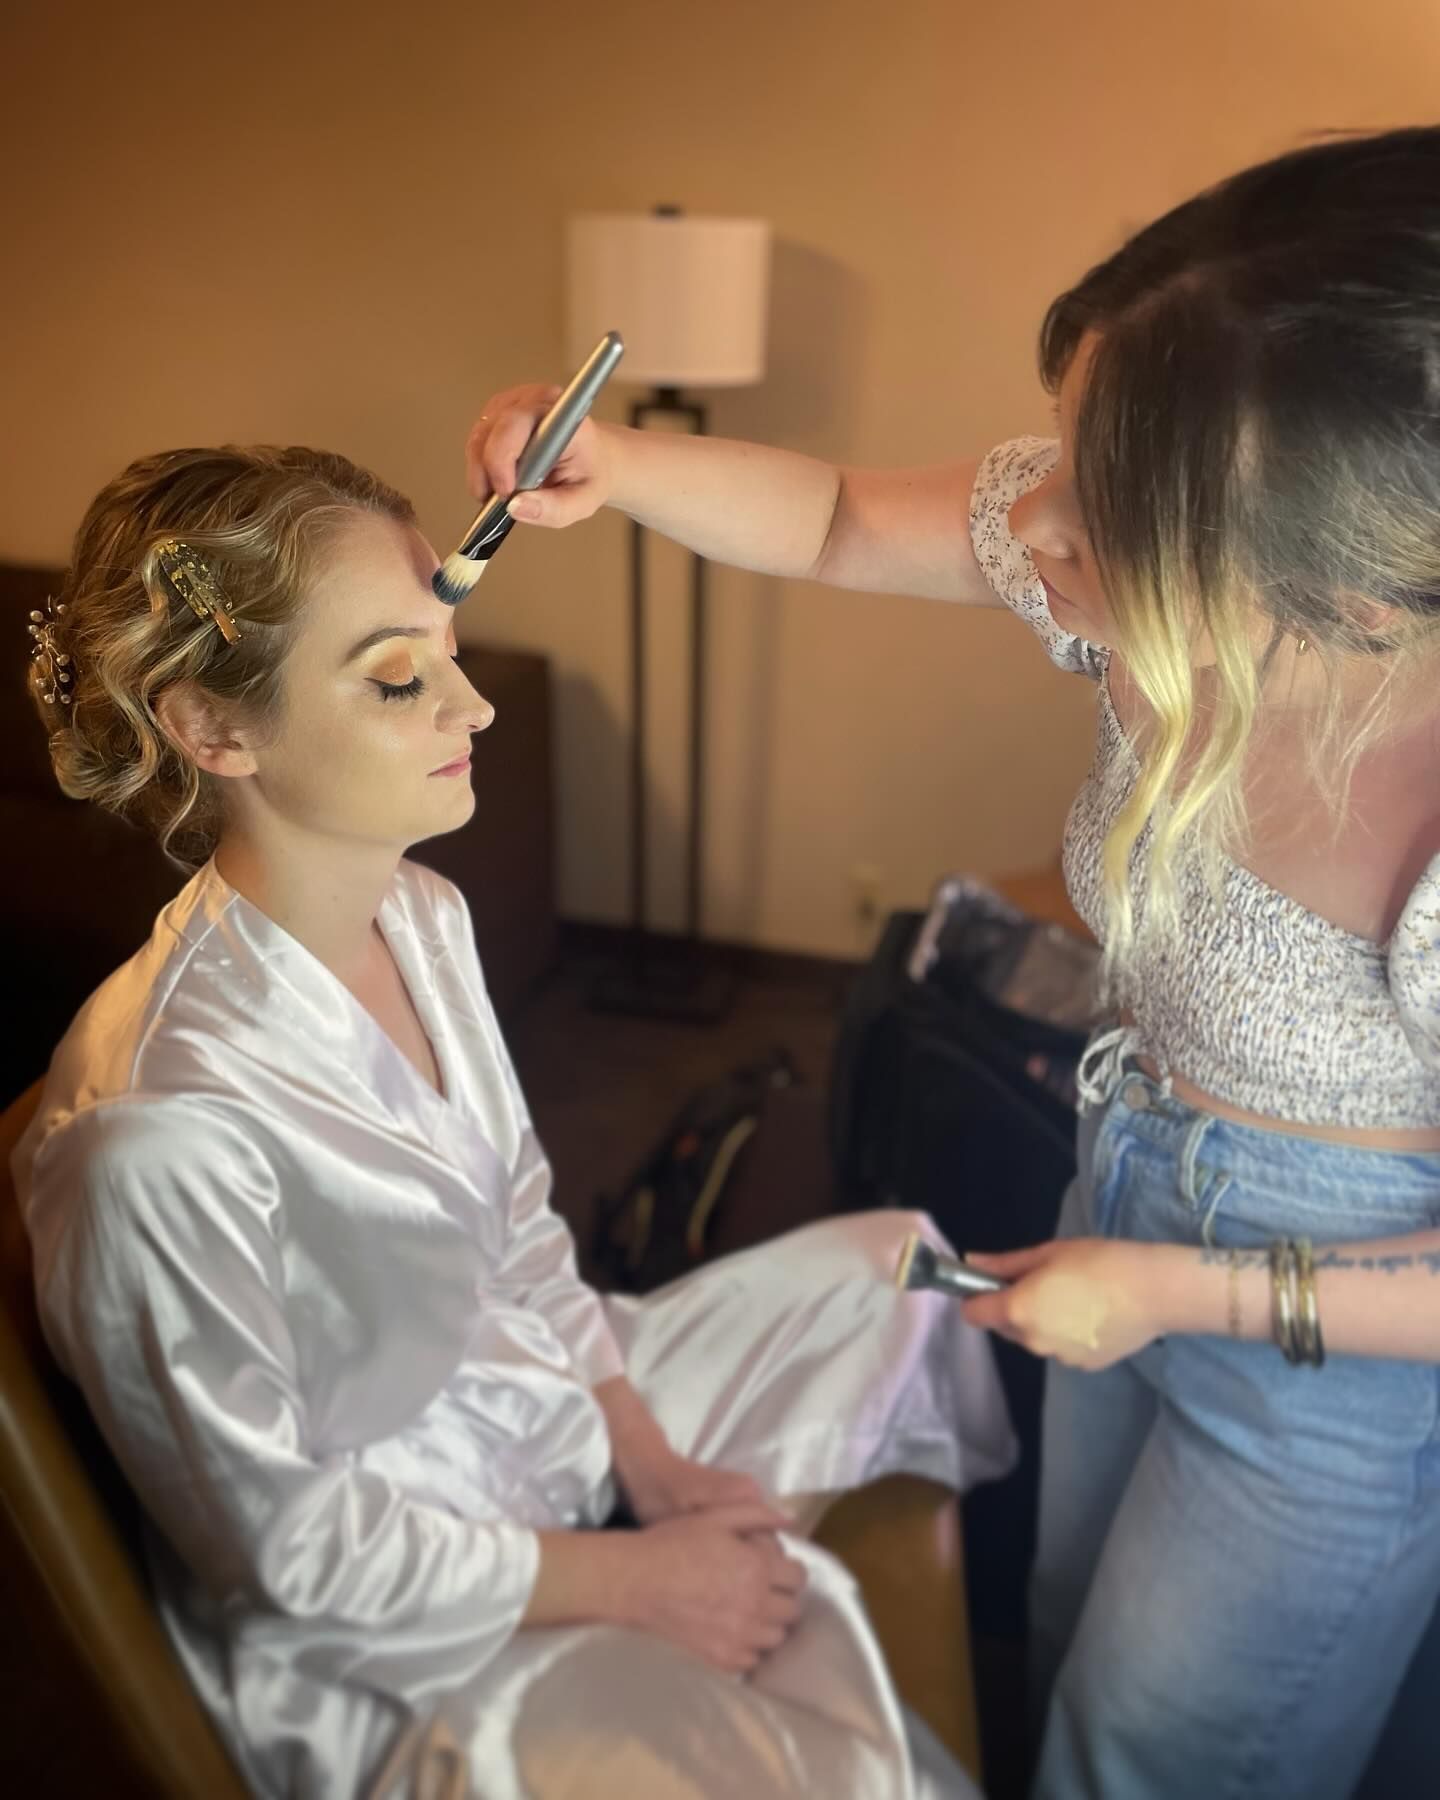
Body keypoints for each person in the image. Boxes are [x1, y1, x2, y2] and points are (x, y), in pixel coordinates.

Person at [468, 126, 1440, 1799]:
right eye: (1060, 454)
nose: (1030, 527)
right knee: (1059, 1632)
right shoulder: (1130, 561)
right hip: (1122, 1176)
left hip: (1342, 1341)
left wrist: (1173, 1293)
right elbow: (844, 515)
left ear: (1341, 599)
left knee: (1158, 1752)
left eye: (1099, 511)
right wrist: (618, 464)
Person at [12, 444, 1016, 1799]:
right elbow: (285, 1550)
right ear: (214, 730)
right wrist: (632, 1581)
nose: (472, 704)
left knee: (902, 1272)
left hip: (520, 1410)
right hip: (388, 1622)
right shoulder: (155, 1137)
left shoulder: (424, 916)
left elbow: (523, 1227)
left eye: (453, 648)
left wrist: (645, 1457)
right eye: (397, 676)